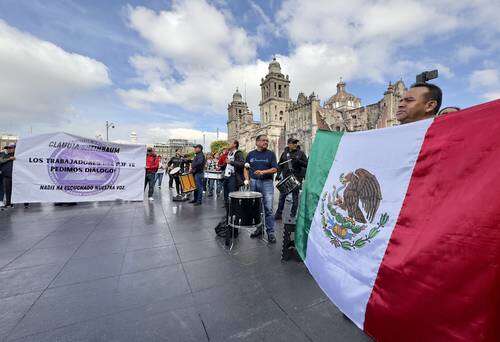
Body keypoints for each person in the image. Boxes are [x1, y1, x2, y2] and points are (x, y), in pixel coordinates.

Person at [244, 135, 278, 243]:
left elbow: (275, 169)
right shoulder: (250, 154)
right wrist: (247, 179)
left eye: (267, 141)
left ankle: (270, 232)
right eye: (263, 140)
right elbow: (246, 168)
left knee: (268, 208)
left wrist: (263, 172)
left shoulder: (271, 154)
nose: (266, 142)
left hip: (267, 183)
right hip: (254, 182)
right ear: (257, 142)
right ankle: (259, 228)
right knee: (256, 208)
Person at [275, 138, 308, 220]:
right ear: (289, 144)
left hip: (296, 178)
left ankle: (293, 215)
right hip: (286, 178)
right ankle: (278, 214)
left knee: (295, 198)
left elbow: (307, 164)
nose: (295, 144)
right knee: (282, 197)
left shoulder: (301, 153)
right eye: (293, 143)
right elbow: (280, 165)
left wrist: (298, 161)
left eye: (296, 143)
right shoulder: (285, 154)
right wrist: (278, 174)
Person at [223, 140, 245, 205]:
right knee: (226, 195)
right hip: (227, 176)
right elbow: (227, 164)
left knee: (232, 195)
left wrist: (231, 162)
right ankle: (228, 212)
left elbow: (242, 164)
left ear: (235, 144)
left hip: (233, 177)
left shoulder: (238, 153)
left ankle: (234, 212)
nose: (228, 144)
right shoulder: (229, 153)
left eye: (230, 143)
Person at [0, 144, 16, 209]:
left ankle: (13, 202)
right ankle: (8, 203)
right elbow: (0, 160)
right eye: (7, 148)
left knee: (14, 190)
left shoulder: (17, 155)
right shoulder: (3, 154)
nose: (8, 149)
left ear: (14, 148)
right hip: (6, 176)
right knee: (7, 190)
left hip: (15, 176)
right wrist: (9, 158)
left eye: (10, 148)